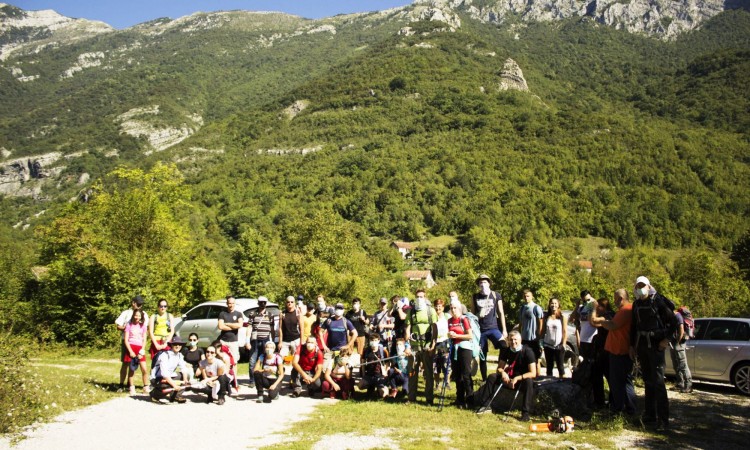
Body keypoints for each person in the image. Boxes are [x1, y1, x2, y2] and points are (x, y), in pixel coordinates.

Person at [629, 276, 678, 431]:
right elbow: (633, 326)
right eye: (638, 286)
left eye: (643, 285)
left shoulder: (658, 302)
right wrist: (632, 346)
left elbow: (675, 322)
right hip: (643, 345)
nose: (640, 288)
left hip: (656, 345)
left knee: (658, 382)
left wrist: (666, 340)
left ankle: (663, 421)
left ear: (649, 286)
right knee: (648, 381)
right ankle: (650, 415)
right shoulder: (636, 304)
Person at [470, 331, 537, 420]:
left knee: (529, 382)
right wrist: (503, 373)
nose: (513, 342)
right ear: (508, 341)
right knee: (492, 377)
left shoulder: (528, 351)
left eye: (515, 340)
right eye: (511, 340)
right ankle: (485, 405)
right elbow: (499, 368)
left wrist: (517, 378)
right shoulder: (507, 350)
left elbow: (533, 373)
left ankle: (525, 413)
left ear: (520, 340)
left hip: (522, 379)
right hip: (509, 378)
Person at [591, 288, 636, 416]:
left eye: (616, 298)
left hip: (619, 351)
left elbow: (612, 325)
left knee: (617, 382)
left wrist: (603, 321)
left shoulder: (625, 310)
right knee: (626, 381)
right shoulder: (627, 309)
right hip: (620, 350)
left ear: (621, 298)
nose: (614, 301)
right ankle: (629, 409)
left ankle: (618, 409)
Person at [472, 274, 508, 381]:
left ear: (489, 283)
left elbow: (501, 312)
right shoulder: (475, 297)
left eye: (484, 282)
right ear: (478, 284)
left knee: (504, 346)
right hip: (480, 330)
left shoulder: (496, 295)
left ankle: (500, 370)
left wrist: (504, 329)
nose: (482, 284)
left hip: (493, 328)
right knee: (483, 355)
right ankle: (484, 379)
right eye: (480, 282)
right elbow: (473, 315)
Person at [405, 289, 438, 405]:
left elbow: (435, 329)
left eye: (421, 296)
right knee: (412, 373)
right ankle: (411, 398)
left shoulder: (431, 311)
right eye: (417, 296)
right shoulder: (411, 312)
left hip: (427, 346)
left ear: (425, 297)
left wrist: (433, 345)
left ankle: (429, 399)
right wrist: (407, 346)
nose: (419, 298)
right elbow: (407, 329)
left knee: (428, 374)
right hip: (414, 347)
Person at [115, 295, 148, 390]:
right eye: (138, 303)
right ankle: (121, 384)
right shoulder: (126, 313)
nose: (139, 306)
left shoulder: (144, 314)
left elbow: (145, 329)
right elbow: (118, 326)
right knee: (125, 364)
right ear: (133, 303)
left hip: (139, 343)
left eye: (141, 304)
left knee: (139, 365)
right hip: (127, 341)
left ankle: (132, 385)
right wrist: (127, 328)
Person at [246, 296, 278, 388]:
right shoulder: (253, 314)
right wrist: (247, 341)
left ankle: (264, 378)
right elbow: (249, 327)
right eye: (261, 302)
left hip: (266, 340)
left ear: (266, 304)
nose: (262, 304)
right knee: (252, 360)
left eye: (264, 302)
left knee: (265, 360)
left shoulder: (270, 315)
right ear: (258, 303)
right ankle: (252, 380)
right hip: (255, 340)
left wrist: (272, 341)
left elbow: (272, 329)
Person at [447, 298, 474, 408]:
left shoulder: (464, 319)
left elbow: (470, 335)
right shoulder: (449, 321)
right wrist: (450, 336)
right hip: (454, 348)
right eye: (451, 308)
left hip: (465, 348)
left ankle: (470, 399)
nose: (453, 310)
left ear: (460, 309)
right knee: (457, 375)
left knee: (466, 374)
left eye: (455, 308)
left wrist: (457, 336)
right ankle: (460, 399)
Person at [149, 336, 189, 404]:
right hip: (157, 378)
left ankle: (176, 396)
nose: (177, 346)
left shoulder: (179, 355)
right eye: (175, 344)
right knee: (169, 385)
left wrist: (185, 380)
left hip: (169, 376)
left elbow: (183, 368)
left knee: (186, 376)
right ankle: (154, 395)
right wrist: (174, 385)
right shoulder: (164, 355)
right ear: (171, 345)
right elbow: (165, 374)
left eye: (179, 344)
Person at [590, 297, 614, 408]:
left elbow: (594, 321)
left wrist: (594, 309)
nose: (597, 308)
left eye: (599, 306)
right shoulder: (604, 316)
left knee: (609, 376)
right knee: (597, 375)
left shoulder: (609, 315)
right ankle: (599, 401)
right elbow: (593, 323)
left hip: (607, 349)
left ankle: (612, 402)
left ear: (604, 306)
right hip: (600, 349)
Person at [319, 302, 357, 368]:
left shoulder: (346, 321)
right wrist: (324, 345)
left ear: (343, 310)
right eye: (337, 308)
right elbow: (320, 332)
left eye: (340, 308)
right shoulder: (329, 321)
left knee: (342, 370)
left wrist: (348, 345)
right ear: (334, 309)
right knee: (325, 370)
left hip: (342, 351)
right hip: (330, 350)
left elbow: (355, 333)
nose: (338, 310)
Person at [123, 309, 149, 395]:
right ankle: (131, 387)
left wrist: (142, 351)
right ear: (133, 315)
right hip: (131, 347)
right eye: (136, 315)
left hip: (140, 348)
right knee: (132, 369)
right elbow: (126, 340)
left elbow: (145, 340)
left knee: (144, 369)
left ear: (141, 317)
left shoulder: (143, 326)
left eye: (139, 315)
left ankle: (145, 386)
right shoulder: (129, 325)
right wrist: (130, 351)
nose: (137, 317)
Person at [541, 298, 567, 379]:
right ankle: (549, 383)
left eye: (555, 303)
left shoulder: (563, 317)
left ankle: (563, 384)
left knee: (560, 366)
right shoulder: (546, 316)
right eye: (552, 303)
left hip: (559, 345)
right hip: (548, 345)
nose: (554, 305)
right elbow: (543, 331)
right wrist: (541, 343)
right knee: (549, 365)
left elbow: (565, 331)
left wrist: (564, 343)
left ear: (558, 304)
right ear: (549, 304)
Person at [517, 289, 543, 373]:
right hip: (524, 338)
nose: (526, 298)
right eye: (524, 296)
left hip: (534, 339)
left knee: (536, 361)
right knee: (524, 360)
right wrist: (519, 335)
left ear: (532, 297)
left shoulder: (536, 307)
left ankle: (537, 379)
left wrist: (539, 336)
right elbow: (520, 323)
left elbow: (541, 322)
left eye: (528, 296)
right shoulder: (522, 308)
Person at [670, 307, 693, 393]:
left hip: (679, 343)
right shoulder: (674, 316)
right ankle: (680, 383)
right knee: (676, 364)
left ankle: (688, 385)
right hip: (674, 343)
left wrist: (678, 342)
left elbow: (681, 329)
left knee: (683, 365)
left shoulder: (678, 316)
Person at [358, 333, 389, 398]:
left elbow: (387, 363)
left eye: (375, 340)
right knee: (360, 386)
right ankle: (370, 387)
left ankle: (381, 388)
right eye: (372, 340)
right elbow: (363, 363)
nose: (373, 342)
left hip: (379, 376)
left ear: (378, 341)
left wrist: (385, 373)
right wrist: (363, 375)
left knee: (383, 394)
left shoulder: (383, 351)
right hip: (369, 375)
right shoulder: (366, 350)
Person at [432, 298, 451, 390]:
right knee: (435, 364)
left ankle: (447, 382)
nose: (437, 308)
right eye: (436, 306)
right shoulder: (432, 316)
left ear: (443, 307)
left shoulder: (447, 316)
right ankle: (437, 384)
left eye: (439, 306)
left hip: (445, 342)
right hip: (435, 342)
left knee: (446, 363)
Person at [148, 299, 174, 364]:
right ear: (158, 306)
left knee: (167, 362)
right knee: (156, 362)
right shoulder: (153, 317)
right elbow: (150, 332)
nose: (163, 308)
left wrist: (166, 343)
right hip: (156, 341)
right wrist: (156, 344)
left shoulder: (170, 316)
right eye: (161, 306)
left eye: (165, 306)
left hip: (167, 341)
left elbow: (172, 331)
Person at [577, 290, 599, 366]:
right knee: (583, 362)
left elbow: (593, 322)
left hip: (592, 339)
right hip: (583, 338)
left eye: (588, 299)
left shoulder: (594, 306)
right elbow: (572, 318)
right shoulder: (582, 307)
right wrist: (577, 306)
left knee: (592, 362)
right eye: (584, 300)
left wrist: (593, 307)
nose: (587, 302)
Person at [279, 295, 302, 360]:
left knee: (296, 358)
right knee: (281, 357)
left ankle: (293, 369)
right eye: (288, 302)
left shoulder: (298, 313)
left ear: (294, 303)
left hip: (296, 339)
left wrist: (301, 342)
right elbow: (280, 328)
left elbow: (301, 329)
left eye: (292, 302)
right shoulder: (282, 313)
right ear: (286, 303)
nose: (290, 303)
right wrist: (280, 342)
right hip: (285, 340)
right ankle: (285, 369)